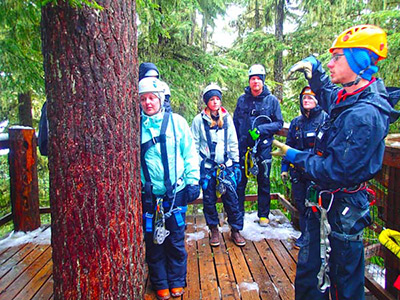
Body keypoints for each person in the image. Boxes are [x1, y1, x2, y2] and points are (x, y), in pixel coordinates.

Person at [273, 24, 400, 300]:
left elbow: (336, 170)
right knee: (313, 274)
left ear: (359, 60)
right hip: (330, 206)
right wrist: (316, 71)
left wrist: (294, 156)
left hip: (341, 211)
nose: (331, 63)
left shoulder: (364, 115)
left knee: (341, 282)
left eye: (337, 57)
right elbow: (331, 97)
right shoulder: (352, 97)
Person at [139, 77, 200, 300]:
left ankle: (176, 281)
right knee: (153, 242)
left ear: (161, 99)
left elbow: (190, 154)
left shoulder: (177, 123)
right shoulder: (136, 128)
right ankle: (160, 282)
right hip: (149, 196)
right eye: (143, 99)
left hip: (176, 193)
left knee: (175, 239)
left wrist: (194, 181)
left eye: (152, 98)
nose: (148, 103)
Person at [191, 84, 245, 247]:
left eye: (217, 99)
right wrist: (195, 165)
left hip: (226, 166)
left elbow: (233, 141)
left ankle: (235, 230)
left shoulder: (227, 119)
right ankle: (214, 229)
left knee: (232, 200)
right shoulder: (199, 120)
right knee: (208, 200)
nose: (215, 102)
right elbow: (194, 143)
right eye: (211, 99)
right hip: (208, 167)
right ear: (207, 102)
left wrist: (236, 163)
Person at [233, 64, 283, 226]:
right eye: (252, 79)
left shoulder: (271, 101)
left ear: (263, 81)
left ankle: (263, 215)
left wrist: (261, 129)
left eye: (258, 79)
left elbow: (279, 123)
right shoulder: (242, 100)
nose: (255, 82)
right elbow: (235, 122)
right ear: (249, 81)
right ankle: (237, 214)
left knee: (264, 180)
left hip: (263, 147)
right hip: (244, 147)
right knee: (240, 182)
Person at [281, 86, 328, 250]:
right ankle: (304, 234)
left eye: (310, 97)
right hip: (297, 171)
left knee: (314, 205)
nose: (306, 100)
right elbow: (288, 146)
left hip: (316, 172)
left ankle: (313, 237)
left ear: (317, 101)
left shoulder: (325, 120)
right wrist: (284, 168)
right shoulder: (296, 122)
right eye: (304, 98)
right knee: (301, 203)